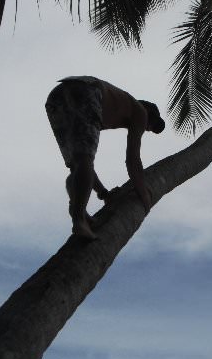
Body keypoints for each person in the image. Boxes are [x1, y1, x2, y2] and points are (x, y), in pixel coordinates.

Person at [46, 76, 165, 240]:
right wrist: (144, 195)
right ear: (149, 113)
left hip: (56, 97)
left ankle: (78, 210)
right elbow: (133, 160)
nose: (146, 129)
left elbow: (83, 166)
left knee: (78, 163)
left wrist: (104, 194)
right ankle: (79, 218)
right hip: (87, 91)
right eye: (150, 126)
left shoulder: (114, 107)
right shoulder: (140, 112)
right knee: (83, 160)